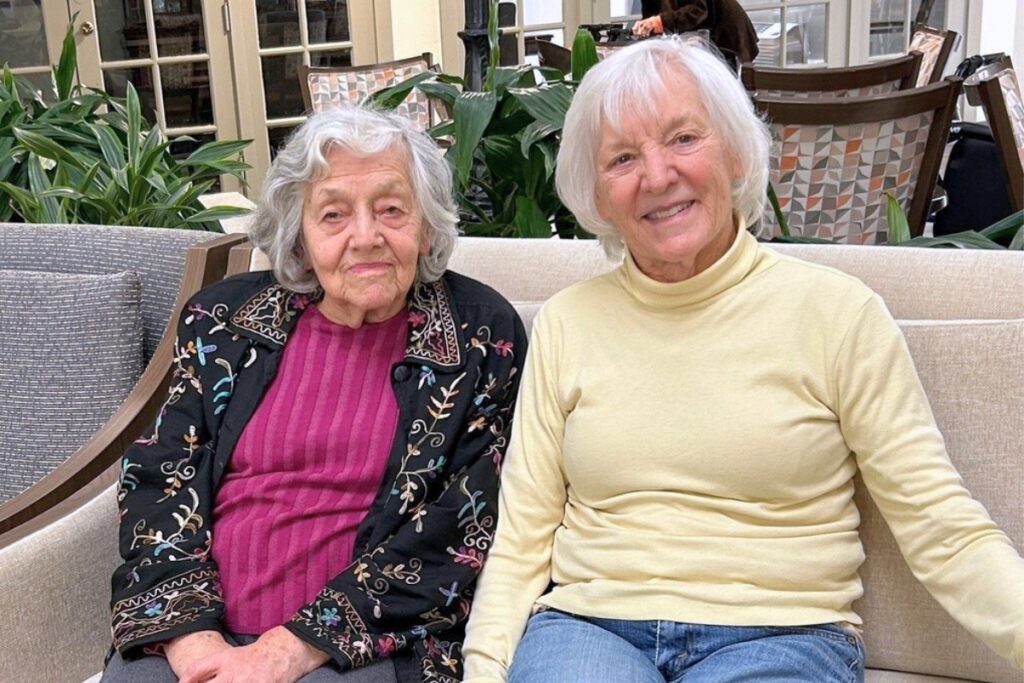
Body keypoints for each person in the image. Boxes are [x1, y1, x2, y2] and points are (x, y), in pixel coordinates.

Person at [462, 36, 1024, 682]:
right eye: (622, 156)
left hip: (782, 633)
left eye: (682, 139)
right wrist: (484, 668)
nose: (657, 175)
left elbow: (941, 525)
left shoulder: (838, 314)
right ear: (597, 192)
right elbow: (523, 536)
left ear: (733, 151)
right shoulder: (568, 322)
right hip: (591, 627)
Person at [103, 104, 526, 683]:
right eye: (333, 214)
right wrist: (193, 642)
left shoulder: (480, 335)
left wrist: (292, 648)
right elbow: (158, 475)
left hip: (370, 647)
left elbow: (465, 524)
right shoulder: (225, 321)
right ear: (298, 237)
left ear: (426, 226)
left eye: (391, 209)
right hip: (199, 630)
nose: (366, 236)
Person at [632, 0, 759, 69]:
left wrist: (660, 22)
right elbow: (652, 14)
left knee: (726, 91)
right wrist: (646, 27)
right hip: (709, 33)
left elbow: (698, 10)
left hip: (726, 31)